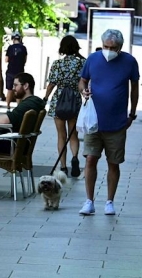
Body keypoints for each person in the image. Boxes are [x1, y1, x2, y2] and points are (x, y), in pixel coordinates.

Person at [77, 29, 139, 216]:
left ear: (120, 47)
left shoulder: (129, 61)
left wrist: (132, 114)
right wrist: (83, 91)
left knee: (114, 163)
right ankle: (89, 201)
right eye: (106, 46)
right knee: (90, 159)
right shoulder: (93, 59)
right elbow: (82, 80)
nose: (109, 50)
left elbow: (134, 87)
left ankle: (109, 201)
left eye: (113, 47)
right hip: (94, 121)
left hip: (117, 122)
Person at [43, 35, 86, 177]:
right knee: (73, 134)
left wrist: (45, 98)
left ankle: (63, 167)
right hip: (75, 100)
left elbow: (51, 84)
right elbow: (85, 82)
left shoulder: (57, 64)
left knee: (61, 135)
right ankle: (75, 157)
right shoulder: (82, 63)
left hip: (59, 100)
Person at [5, 33, 28, 109]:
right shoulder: (24, 48)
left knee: (9, 90)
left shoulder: (10, 48)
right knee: (18, 90)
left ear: (13, 39)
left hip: (10, 71)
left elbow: (6, 60)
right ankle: (18, 107)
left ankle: (8, 106)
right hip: (20, 72)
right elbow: (25, 60)